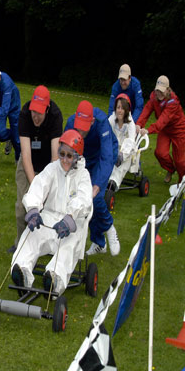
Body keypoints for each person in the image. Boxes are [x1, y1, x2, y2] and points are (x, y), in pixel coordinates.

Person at [10, 129, 92, 295]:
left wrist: (70, 217)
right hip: (49, 218)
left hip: (72, 224)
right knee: (30, 234)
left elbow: (84, 200)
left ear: (77, 156)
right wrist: (33, 210)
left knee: (68, 246)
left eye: (69, 156)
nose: (64, 160)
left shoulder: (83, 175)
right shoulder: (53, 168)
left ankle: (54, 279)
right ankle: (22, 271)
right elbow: (38, 186)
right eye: (61, 154)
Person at [9, 85, 63, 253]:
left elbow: (56, 157)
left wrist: (45, 187)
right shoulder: (24, 115)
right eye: (34, 111)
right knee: (21, 208)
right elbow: (25, 155)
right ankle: (20, 244)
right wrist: (35, 186)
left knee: (48, 208)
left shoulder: (55, 115)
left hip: (49, 165)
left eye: (39, 113)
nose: (35, 116)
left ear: (46, 109)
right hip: (28, 164)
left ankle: (47, 246)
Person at [65, 100, 120, 256]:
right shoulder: (70, 123)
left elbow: (107, 156)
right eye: (78, 127)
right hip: (83, 158)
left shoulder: (102, 122)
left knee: (95, 198)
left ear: (92, 121)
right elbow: (65, 150)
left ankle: (109, 226)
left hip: (102, 157)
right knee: (84, 200)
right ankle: (99, 243)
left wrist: (97, 185)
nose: (80, 132)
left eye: (84, 128)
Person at [136, 75, 185, 184]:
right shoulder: (154, 97)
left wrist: (149, 130)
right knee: (160, 153)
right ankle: (170, 169)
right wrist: (138, 125)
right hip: (165, 130)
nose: (159, 93)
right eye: (157, 90)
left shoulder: (173, 102)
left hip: (178, 130)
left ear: (168, 90)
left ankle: (182, 182)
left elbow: (162, 120)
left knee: (179, 161)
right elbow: (146, 111)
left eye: (162, 91)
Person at [108, 93, 136, 191]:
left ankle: (114, 183)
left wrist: (122, 155)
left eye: (122, 108)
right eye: (118, 107)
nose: (119, 110)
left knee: (122, 163)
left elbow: (131, 141)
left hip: (127, 152)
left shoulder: (130, 124)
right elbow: (106, 133)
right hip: (114, 148)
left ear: (127, 110)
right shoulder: (112, 119)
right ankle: (106, 179)